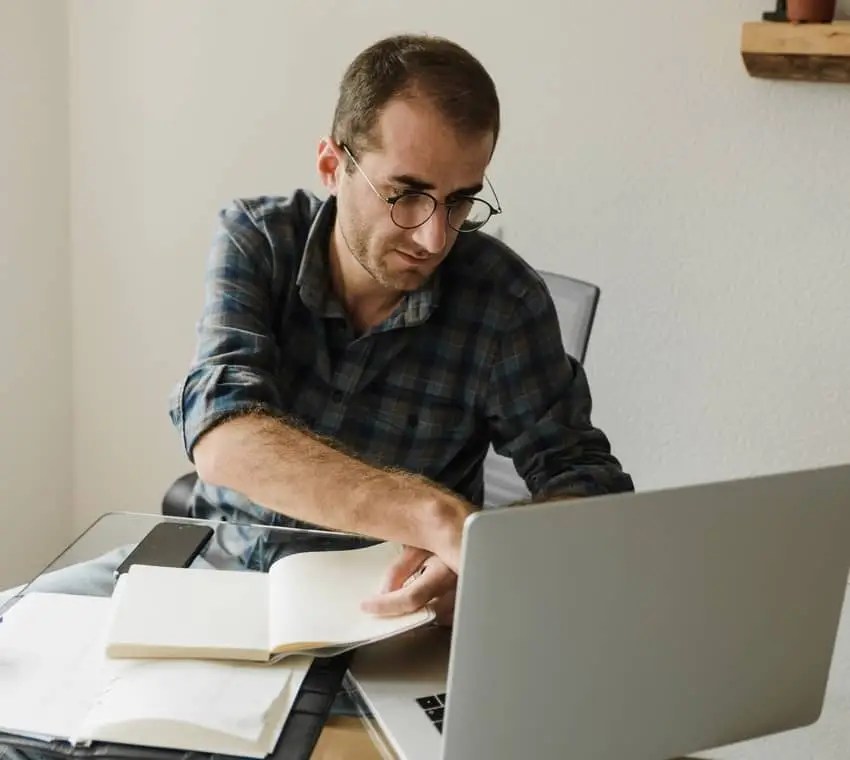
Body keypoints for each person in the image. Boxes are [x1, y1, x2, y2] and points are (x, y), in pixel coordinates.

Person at [168, 33, 634, 626]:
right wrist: (436, 518)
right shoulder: (258, 240)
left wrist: (487, 549)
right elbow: (224, 437)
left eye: (460, 201)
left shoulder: (503, 301)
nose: (433, 237)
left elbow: (590, 484)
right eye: (406, 195)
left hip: (386, 621)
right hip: (219, 584)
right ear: (332, 166)